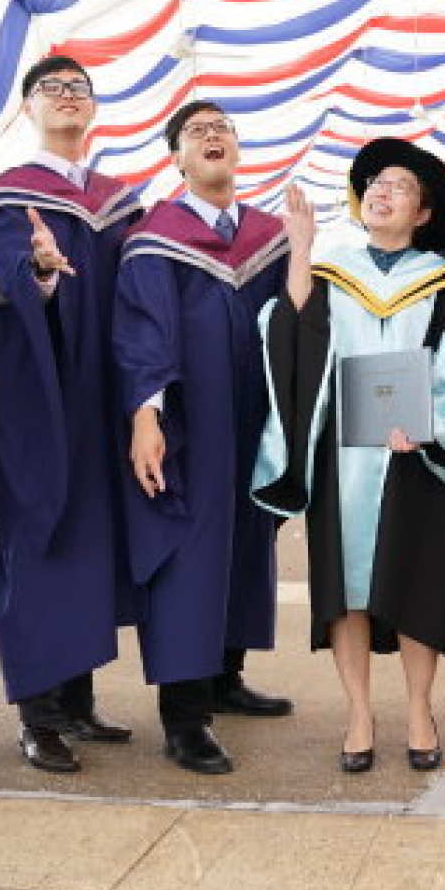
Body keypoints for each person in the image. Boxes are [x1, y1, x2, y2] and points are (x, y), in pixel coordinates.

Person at [253, 145, 445, 772]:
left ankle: (420, 710)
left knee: (420, 585)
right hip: (345, 453)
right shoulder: (333, 273)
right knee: (345, 590)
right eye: (374, 184)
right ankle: (360, 713)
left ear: (422, 213)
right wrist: (302, 247)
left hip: (415, 454)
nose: (381, 191)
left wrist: (431, 429)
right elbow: (292, 334)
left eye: (398, 185)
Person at [0, 55, 140, 774]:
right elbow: (3, 290)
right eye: (53, 89)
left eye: (79, 90)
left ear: (94, 110)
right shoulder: (8, 198)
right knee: (38, 542)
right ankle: (36, 715)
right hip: (37, 396)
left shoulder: (118, 199)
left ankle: (77, 698)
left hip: (102, 397)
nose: (68, 99)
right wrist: (40, 271)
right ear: (28, 108)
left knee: (89, 543)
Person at [114, 100, 293, 776]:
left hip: (255, 420)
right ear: (177, 159)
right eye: (197, 132)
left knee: (249, 541)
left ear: (239, 150)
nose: (213, 137)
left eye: (223, 128)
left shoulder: (271, 235)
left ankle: (226, 675)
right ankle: (184, 717)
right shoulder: (156, 237)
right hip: (190, 424)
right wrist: (146, 415)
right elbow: (141, 330)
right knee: (189, 557)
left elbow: (296, 323)